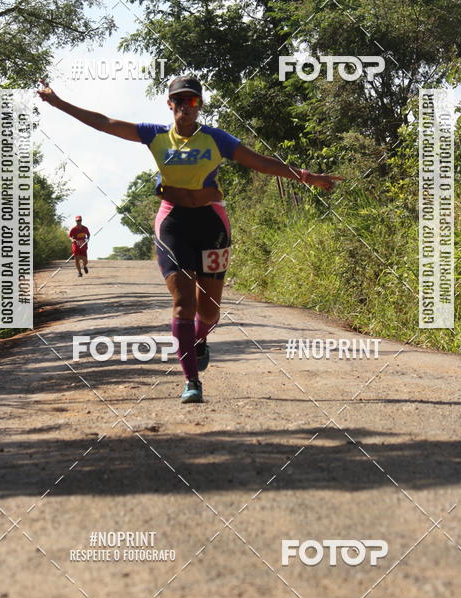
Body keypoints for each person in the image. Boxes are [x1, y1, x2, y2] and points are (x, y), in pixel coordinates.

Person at [38, 76, 341, 404]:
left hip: (212, 224)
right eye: (179, 100)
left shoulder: (216, 139)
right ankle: (191, 380)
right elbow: (104, 123)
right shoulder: (155, 135)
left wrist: (307, 176)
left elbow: (261, 163)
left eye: (192, 100)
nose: (185, 105)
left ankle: (198, 339)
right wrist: (58, 102)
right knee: (183, 303)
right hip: (173, 224)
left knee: (209, 313)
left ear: (200, 105)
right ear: (170, 104)